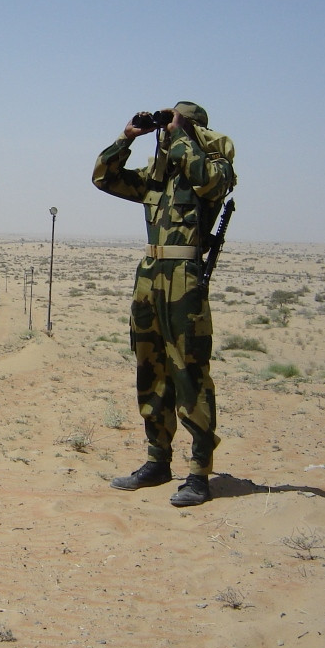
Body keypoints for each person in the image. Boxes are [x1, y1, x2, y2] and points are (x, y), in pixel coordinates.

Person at [92, 101, 235, 506]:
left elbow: (207, 180)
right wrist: (128, 138)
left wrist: (179, 135)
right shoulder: (158, 180)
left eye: (176, 124)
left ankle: (199, 473)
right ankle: (157, 461)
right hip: (150, 279)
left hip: (184, 282)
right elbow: (104, 177)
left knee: (189, 373)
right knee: (150, 370)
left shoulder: (213, 169)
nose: (166, 132)